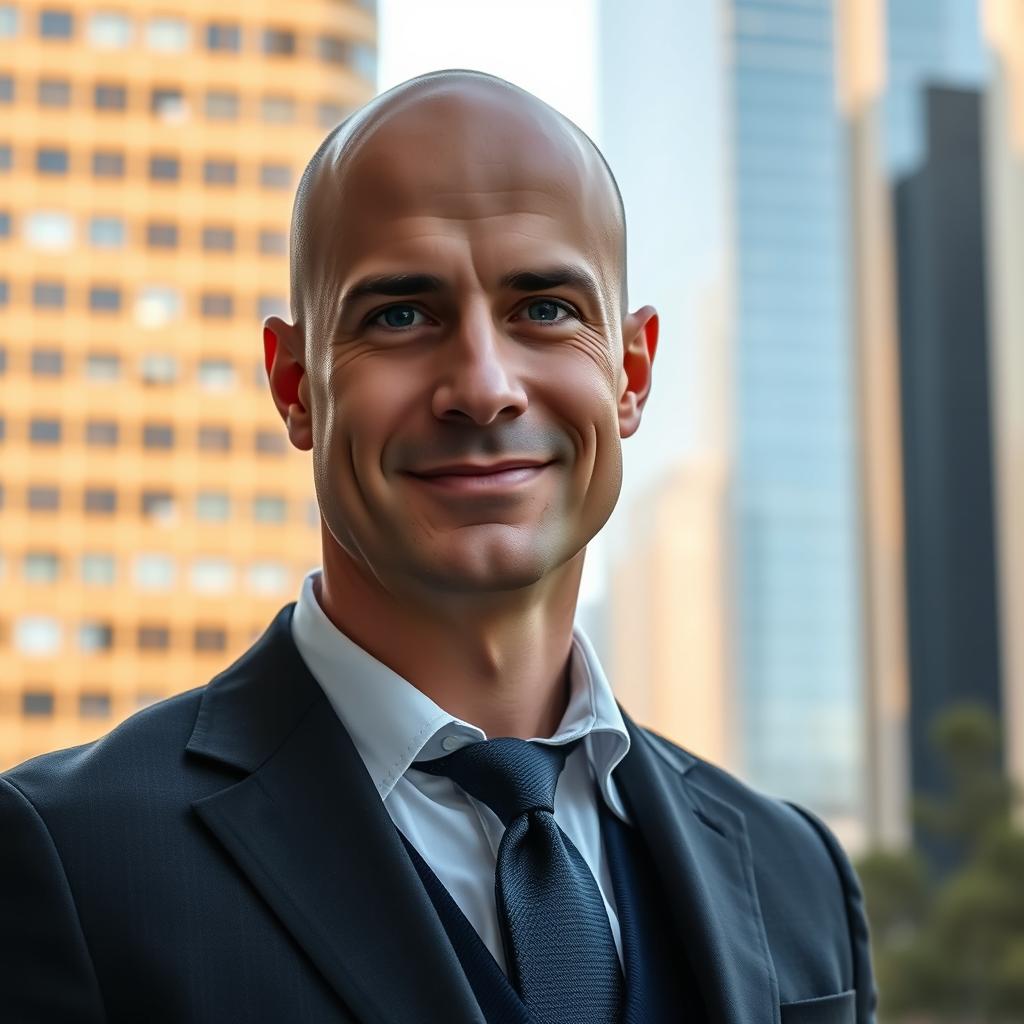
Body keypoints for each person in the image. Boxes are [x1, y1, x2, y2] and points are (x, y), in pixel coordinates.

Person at [0, 70, 876, 1023]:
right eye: (400, 315)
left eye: (544, 308)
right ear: (295, 385)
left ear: (630, 373)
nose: (483, 386)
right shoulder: (67, 861)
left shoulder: (796, 872)